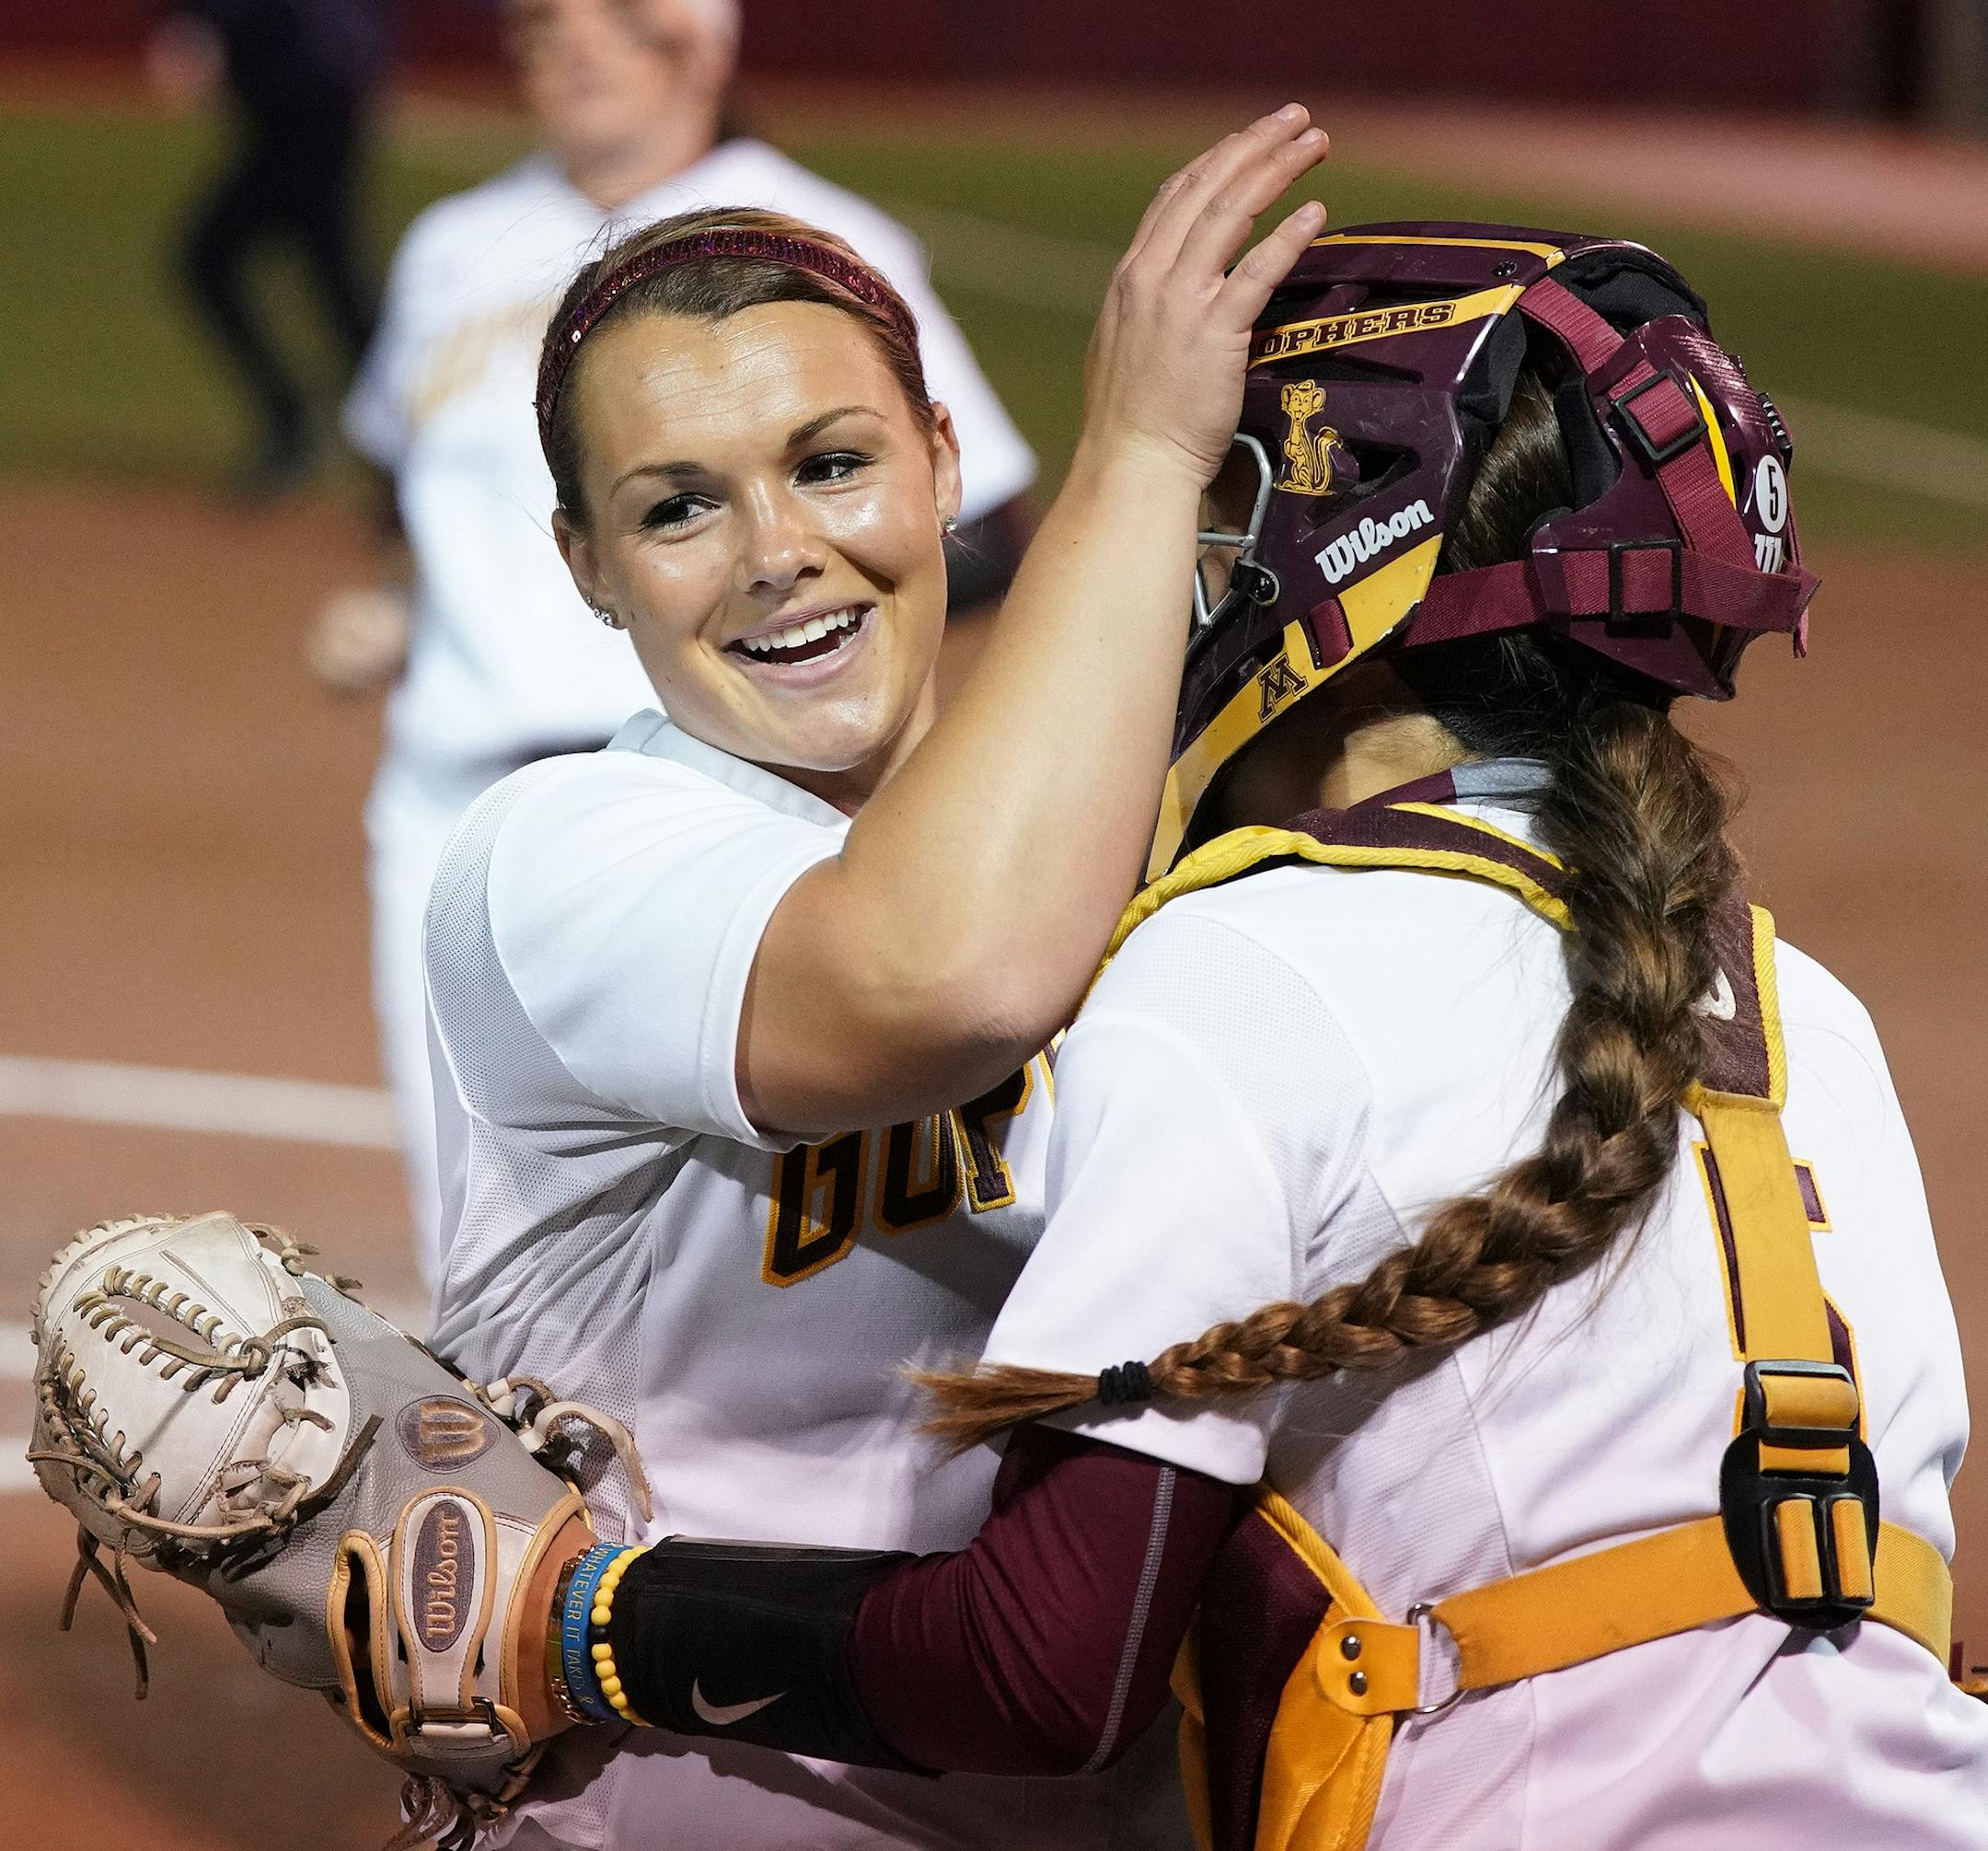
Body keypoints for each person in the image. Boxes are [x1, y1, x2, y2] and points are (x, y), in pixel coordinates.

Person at [537, 226, 1988, 1848]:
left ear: (1328, 572)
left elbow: (1040, 1670)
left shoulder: (1246, 967)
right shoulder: (1805, 1006)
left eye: (1227, 514)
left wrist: (585, 1620)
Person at [421, 113, 1333, 1849]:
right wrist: (1140, 452)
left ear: (935, 456)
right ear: (588, 569)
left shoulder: (1153, 844)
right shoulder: (559, 860)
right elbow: (954, 970)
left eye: (831, 463)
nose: (777, 549)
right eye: (677, 506)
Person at [337, 0, 1041, 1282]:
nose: (577, 51)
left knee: (797, 1244)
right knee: (492, 1241)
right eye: (547, 29)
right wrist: (400, 593)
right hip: (450, 792)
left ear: (704, 45)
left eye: (617, 23)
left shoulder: (821, 238)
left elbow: (989, 525)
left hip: (736, 788)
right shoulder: (454, 244)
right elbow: (402, 481)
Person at [148, 0, 390, 496]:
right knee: (334, 286)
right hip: (304, 102)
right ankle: (377, 448)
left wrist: (208, 26)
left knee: (220, 260)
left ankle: (320, 435)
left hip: (309, 103)